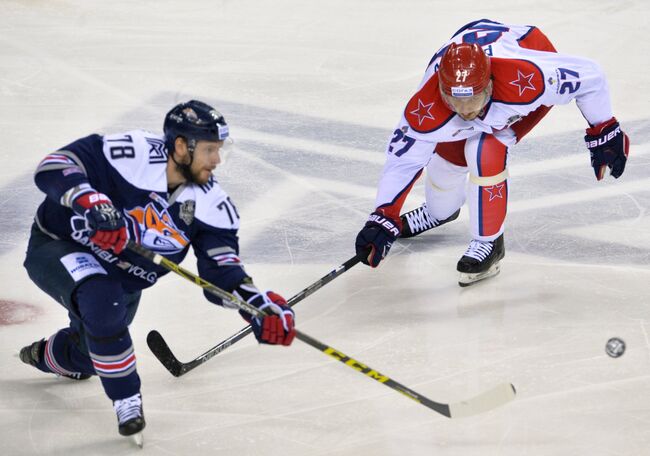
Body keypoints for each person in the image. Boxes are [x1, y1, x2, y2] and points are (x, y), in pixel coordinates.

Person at [19, 100, 296, 440]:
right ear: (181, 146)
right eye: (209, 150)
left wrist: (256, 304)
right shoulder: (133, 153)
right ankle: (127, 402)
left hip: (124, 282)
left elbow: (221, 273)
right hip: (61, 245)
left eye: (219, 150)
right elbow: (56, 164)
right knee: (102, 301)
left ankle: (48, 354)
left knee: (92, 351)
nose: (216, 160)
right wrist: (90, 201)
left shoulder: (212, 205)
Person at [355, 19, 630, 286]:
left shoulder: (529, 77)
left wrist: (604, 130)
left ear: (489, 84)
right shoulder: (426, 107)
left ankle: (489, 242)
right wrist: (383, 215)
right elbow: (403, 162)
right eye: (454, 100)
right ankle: (440, 212)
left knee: (483, 148)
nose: (466, 111)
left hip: (517, 82)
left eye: (473, 98)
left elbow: (590, 76)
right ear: (441, 89)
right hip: (485, 79)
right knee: (445, 178)